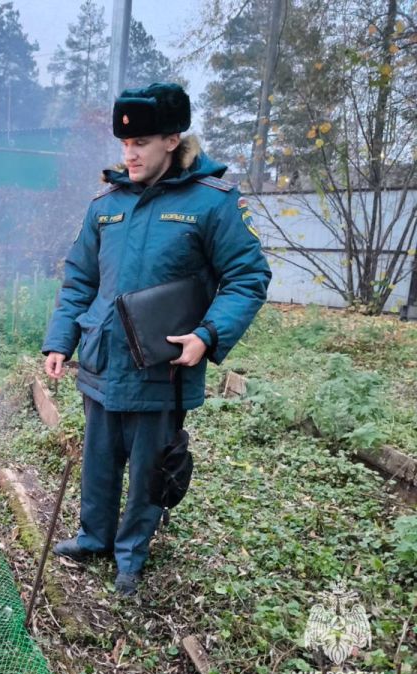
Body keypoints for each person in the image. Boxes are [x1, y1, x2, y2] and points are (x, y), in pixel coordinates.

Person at [42, 83, 271, 597]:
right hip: (103, 359)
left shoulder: (213, 203)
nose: (130, 153)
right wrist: (61, 340)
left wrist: (207, 336)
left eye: (141, 142)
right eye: (124, 144)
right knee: (99, 458)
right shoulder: (106, 204)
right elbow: (80, 277)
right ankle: (94, 537)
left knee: (149, 467)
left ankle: (130, 556)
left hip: (163, 366)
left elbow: (248, 277)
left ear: (172, 139)